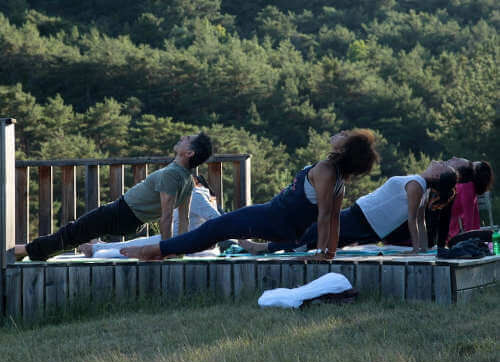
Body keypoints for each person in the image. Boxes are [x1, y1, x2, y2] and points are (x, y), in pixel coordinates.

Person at [120, 129, 380, 261]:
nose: (340, 133)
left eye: (345, 135)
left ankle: (156, 250)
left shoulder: (326, 171)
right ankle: (161, 250)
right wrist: (329, 252)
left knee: (214, 228)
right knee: (217, 229)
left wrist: (323, 253)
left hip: (274, 219)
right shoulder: (336, 178)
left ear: (344, 148)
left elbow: (326, 217)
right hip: (278, 221)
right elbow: (331, 218)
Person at [15, 133, 213, 261]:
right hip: (127, 215)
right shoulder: (187, 179)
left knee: (72, 232)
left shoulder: (173, 175)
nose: (183, 136)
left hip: (121, 213)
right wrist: (180, 250)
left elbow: (167, 216)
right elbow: (184, 220)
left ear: (189, 152)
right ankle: (36, 252)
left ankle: (22, 251)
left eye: (188, 138)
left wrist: (168, 250)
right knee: (75, 235)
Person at [238, 161, 458, 256]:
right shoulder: (421, 187)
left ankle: (262, 247)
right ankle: (280, 246)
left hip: (364, 219)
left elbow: (414, 220)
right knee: (315, 234)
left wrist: (417, 251)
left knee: (313, 230)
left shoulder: (417, 185)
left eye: (441, 165)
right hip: (366, 220)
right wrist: (421, 249)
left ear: (438, 175)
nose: (438, 161)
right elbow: (419, 221)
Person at [77, 174, 221, 257]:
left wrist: (209, 242)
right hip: (177, 239)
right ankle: (101, 247)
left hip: (180, 242)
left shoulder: (195, 196)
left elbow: (217, 219)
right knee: (138, 242)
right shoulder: (194, 195)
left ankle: (94, 249)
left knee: (136, 246)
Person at [426, 158, 494, 247]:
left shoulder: (467, 186)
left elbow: (469, 222)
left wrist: (470, 242)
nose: (454, 157)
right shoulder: (459, 186)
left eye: (472, 164)